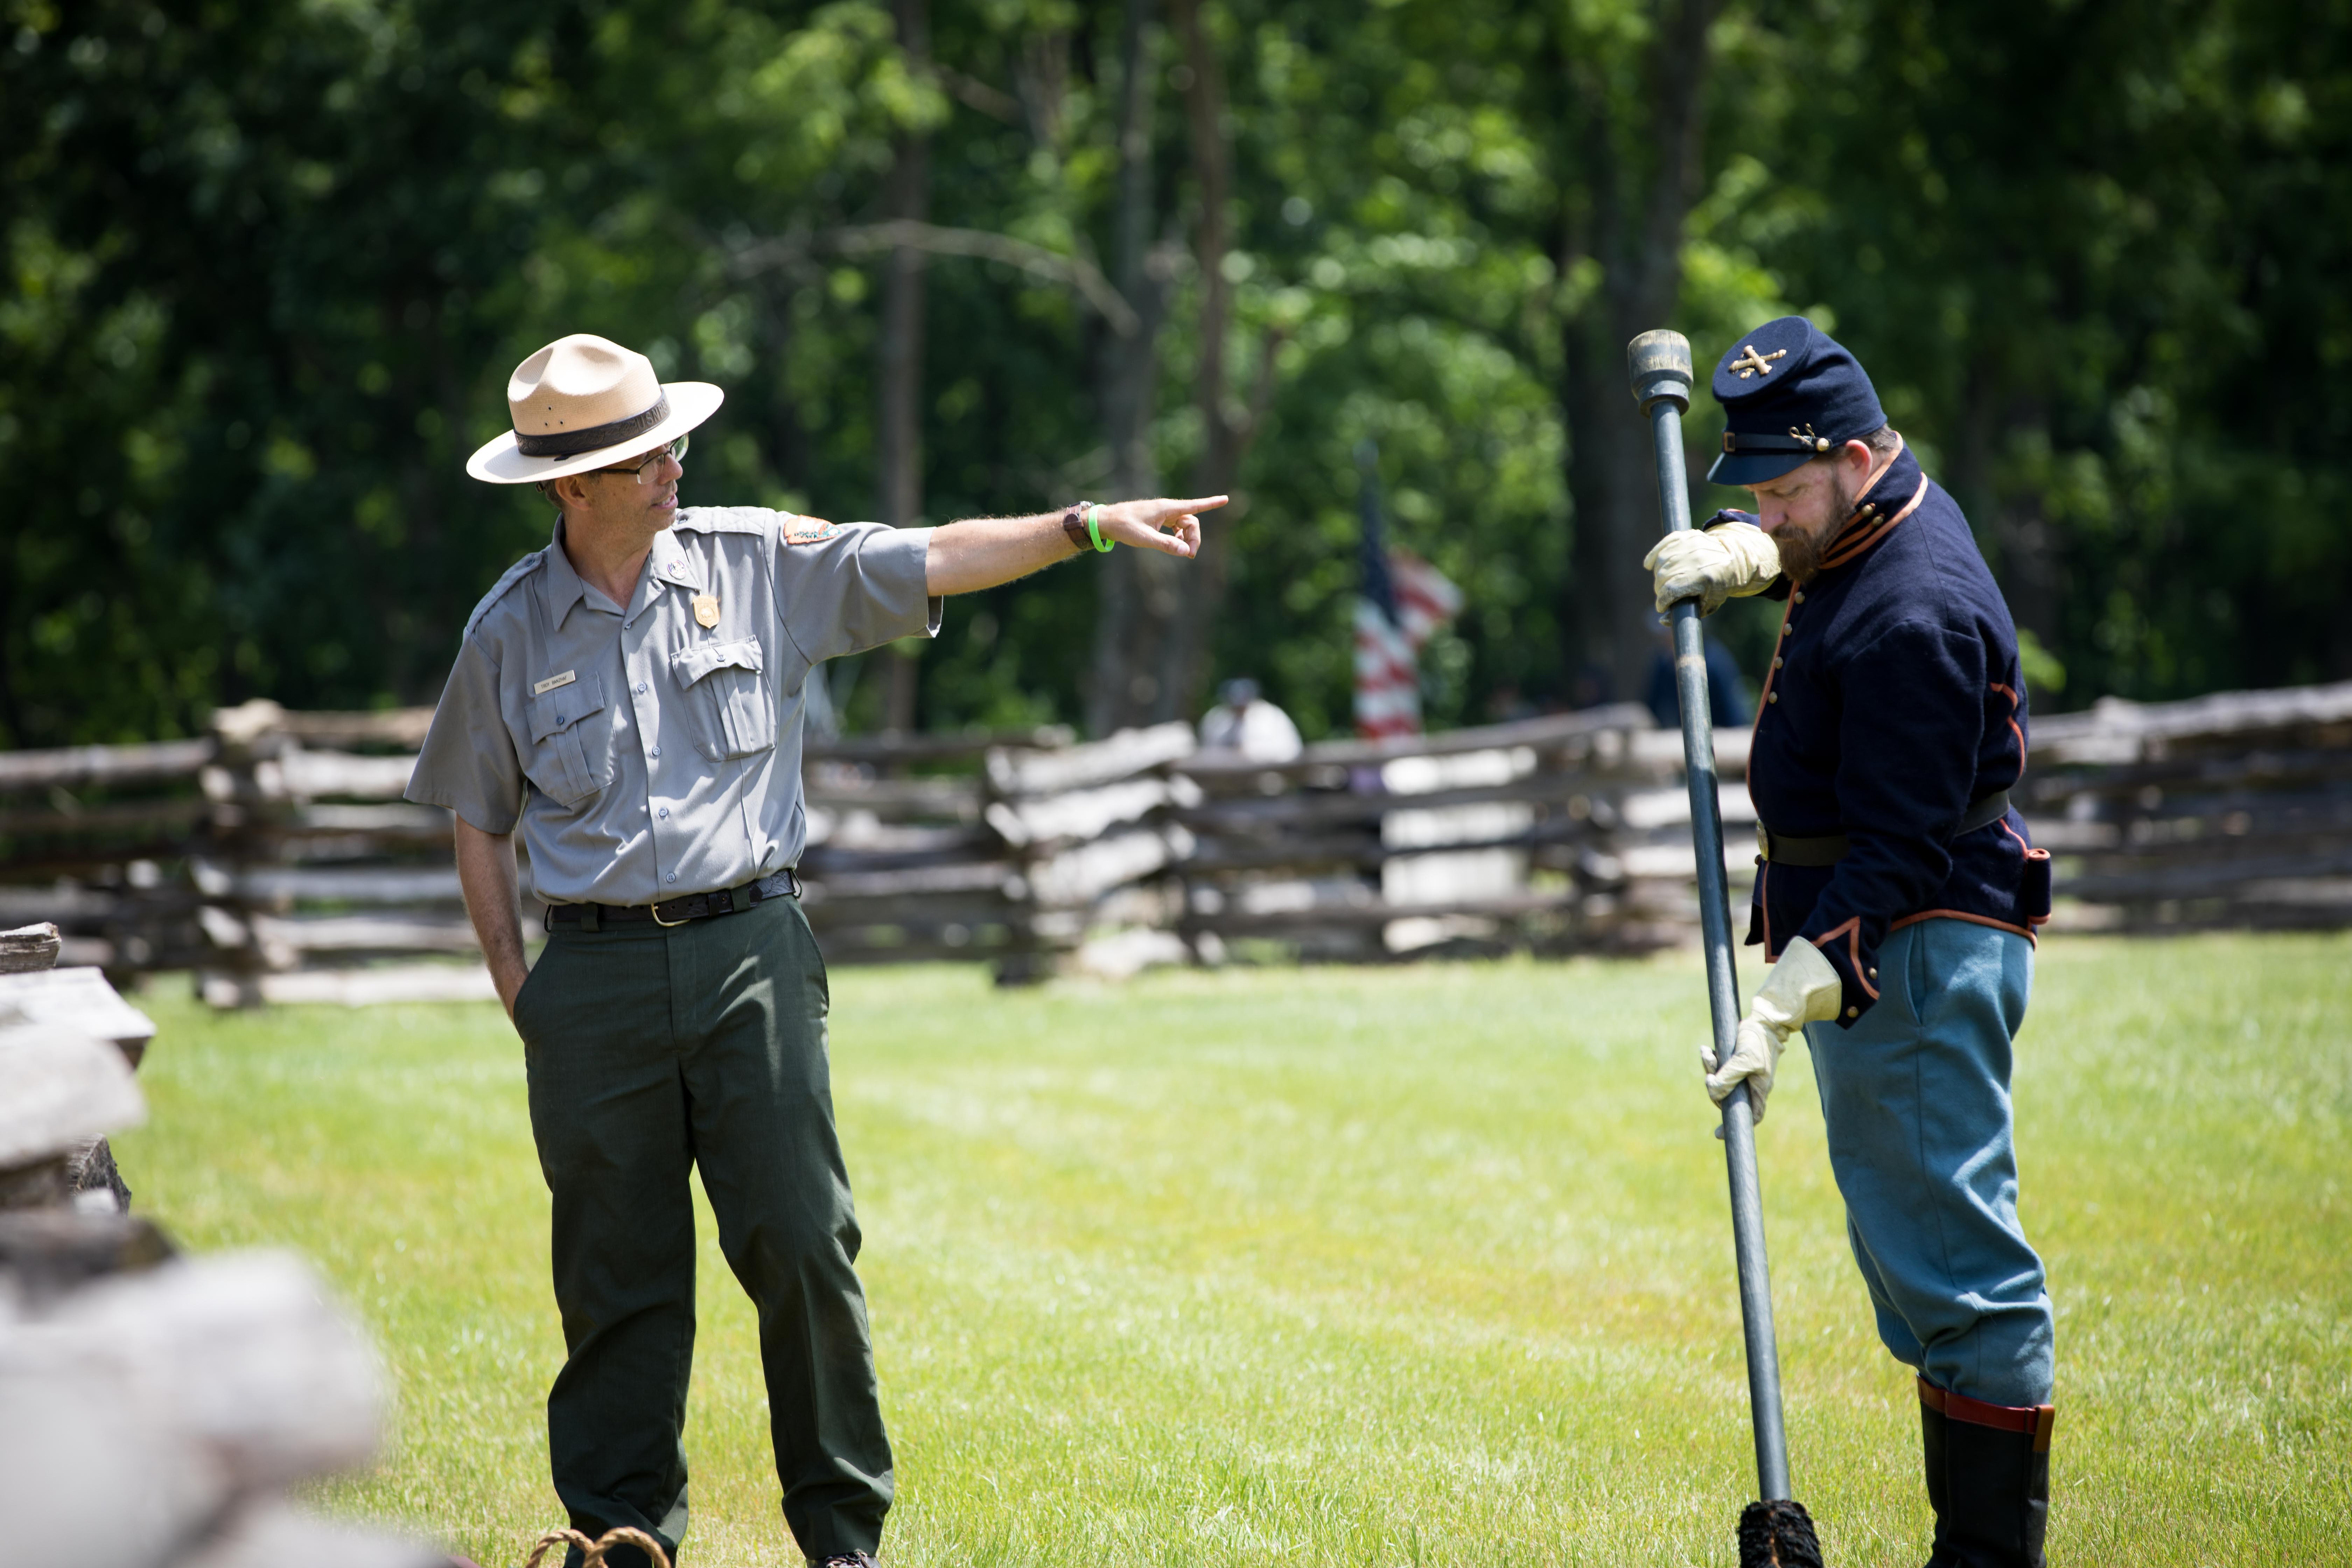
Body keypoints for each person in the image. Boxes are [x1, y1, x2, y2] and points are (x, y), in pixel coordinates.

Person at [406, 333, 1224, 1568]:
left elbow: (931, 555)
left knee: (802, 1242)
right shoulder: (508, 631)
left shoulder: (755, 562)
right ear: (569, 486)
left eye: (667, 438)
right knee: (617, 1275)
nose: (671, 463)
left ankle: (843, 1540)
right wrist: (525, 990)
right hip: (592, 981)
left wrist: (1085, 524)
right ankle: (621, 1534)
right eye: (640, 456)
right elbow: (479, 818)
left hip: (754, 958)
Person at [1643, 316, 2057, 1567]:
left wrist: (1781, 998)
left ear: (1859, 455)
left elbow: (1897, 856)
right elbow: (1825, 557)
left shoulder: (1914, 617)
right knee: (1912, 1267)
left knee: (1959, 1282)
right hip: (1883, 934)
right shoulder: (1868, 522)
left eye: (1779, 490)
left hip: (1909, 947)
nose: (1767, 509)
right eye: (1750, 491)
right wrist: (1742, 557)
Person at [1196, 676, 1304, 762]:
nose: (1239, 709)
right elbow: (1207, 752)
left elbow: (1289, 751)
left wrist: (1249, 754)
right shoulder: (1215, 719)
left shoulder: (1271, 717)